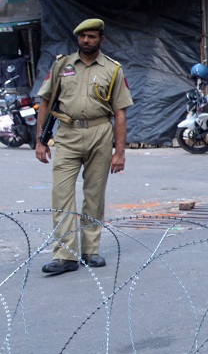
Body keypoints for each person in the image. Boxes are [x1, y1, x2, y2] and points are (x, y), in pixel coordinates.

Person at [34, 19, 134, 276]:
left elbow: (120, 113)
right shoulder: (61, 65)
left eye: (91, 36)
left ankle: (90, 250)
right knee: (61, 194)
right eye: (82, 37)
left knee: (94, 194)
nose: (86, 40)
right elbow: (45, 103)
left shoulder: (113, 70)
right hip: (67, 134)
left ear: (102, 39)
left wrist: (119, 152)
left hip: (100, 132)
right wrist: (40, 141)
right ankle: (66, 255)